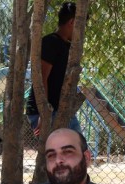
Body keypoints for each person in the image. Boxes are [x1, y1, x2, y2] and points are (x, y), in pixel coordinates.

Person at [25, 2, 82, 134]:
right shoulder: (51, 42)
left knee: (79, 145)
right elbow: (41, 78)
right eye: (82, 26)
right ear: (72, 22)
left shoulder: (69, 47)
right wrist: (44, 113)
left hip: (62, 111)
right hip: (46, 112)